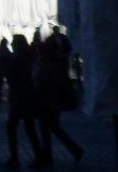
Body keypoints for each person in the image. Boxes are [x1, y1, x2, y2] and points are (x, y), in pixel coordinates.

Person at [33, 39, 83, 167]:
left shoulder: (49, 64)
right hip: (52, 101)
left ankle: (50, 156)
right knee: (53, 128)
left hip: (47, 101)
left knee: (47, 129)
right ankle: (73, 149)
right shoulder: (56, 62)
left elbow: (42, 82)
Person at [2, 34, 44, 170]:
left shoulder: (17, 59)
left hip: (20, 98)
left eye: (14, 42)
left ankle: (15, 158)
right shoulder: (29, 58)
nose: (12, 45)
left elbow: (12, 78)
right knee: (29, 128)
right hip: (28, 97)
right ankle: (38, 156)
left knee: (12, 127)